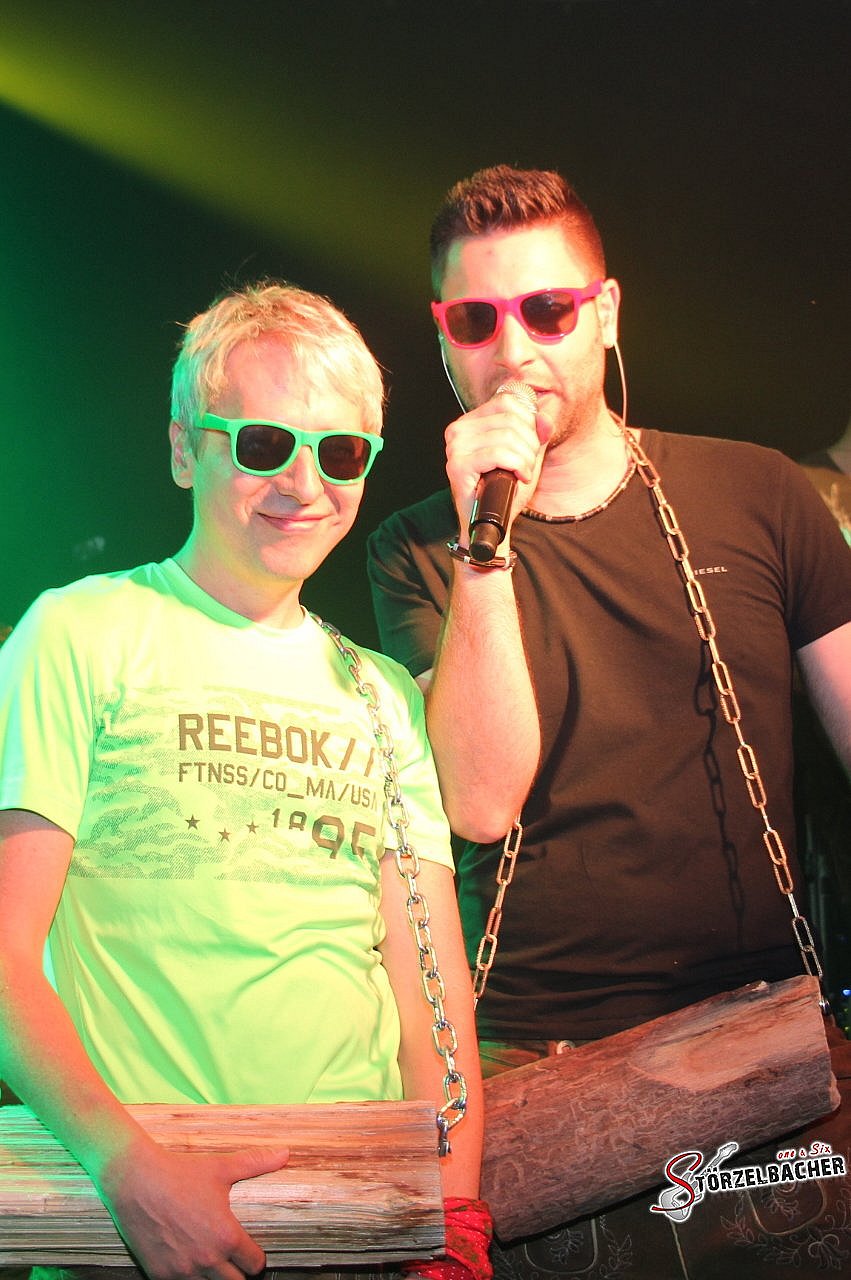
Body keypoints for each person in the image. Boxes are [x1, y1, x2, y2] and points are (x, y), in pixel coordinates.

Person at [367, 166, 851, 1275]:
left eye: (547, 309)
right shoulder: (417, 544)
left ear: (607, 313)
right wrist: (483, 545)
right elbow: (478, 803)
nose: (513, 348)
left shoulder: (757, 492)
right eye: (476, 319)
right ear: (442, 337)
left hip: (756, 1042)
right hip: (528, 1058)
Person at [0, 283, 489, 1280]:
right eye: (264, 444)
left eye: (339, 452)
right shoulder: (79, 631)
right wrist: (131, 1173)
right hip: (128, 1231)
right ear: (185, 450)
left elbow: (435, 1003)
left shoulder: (382, 694)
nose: (303, 483)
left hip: (357, 1224)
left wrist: (454, 1219)